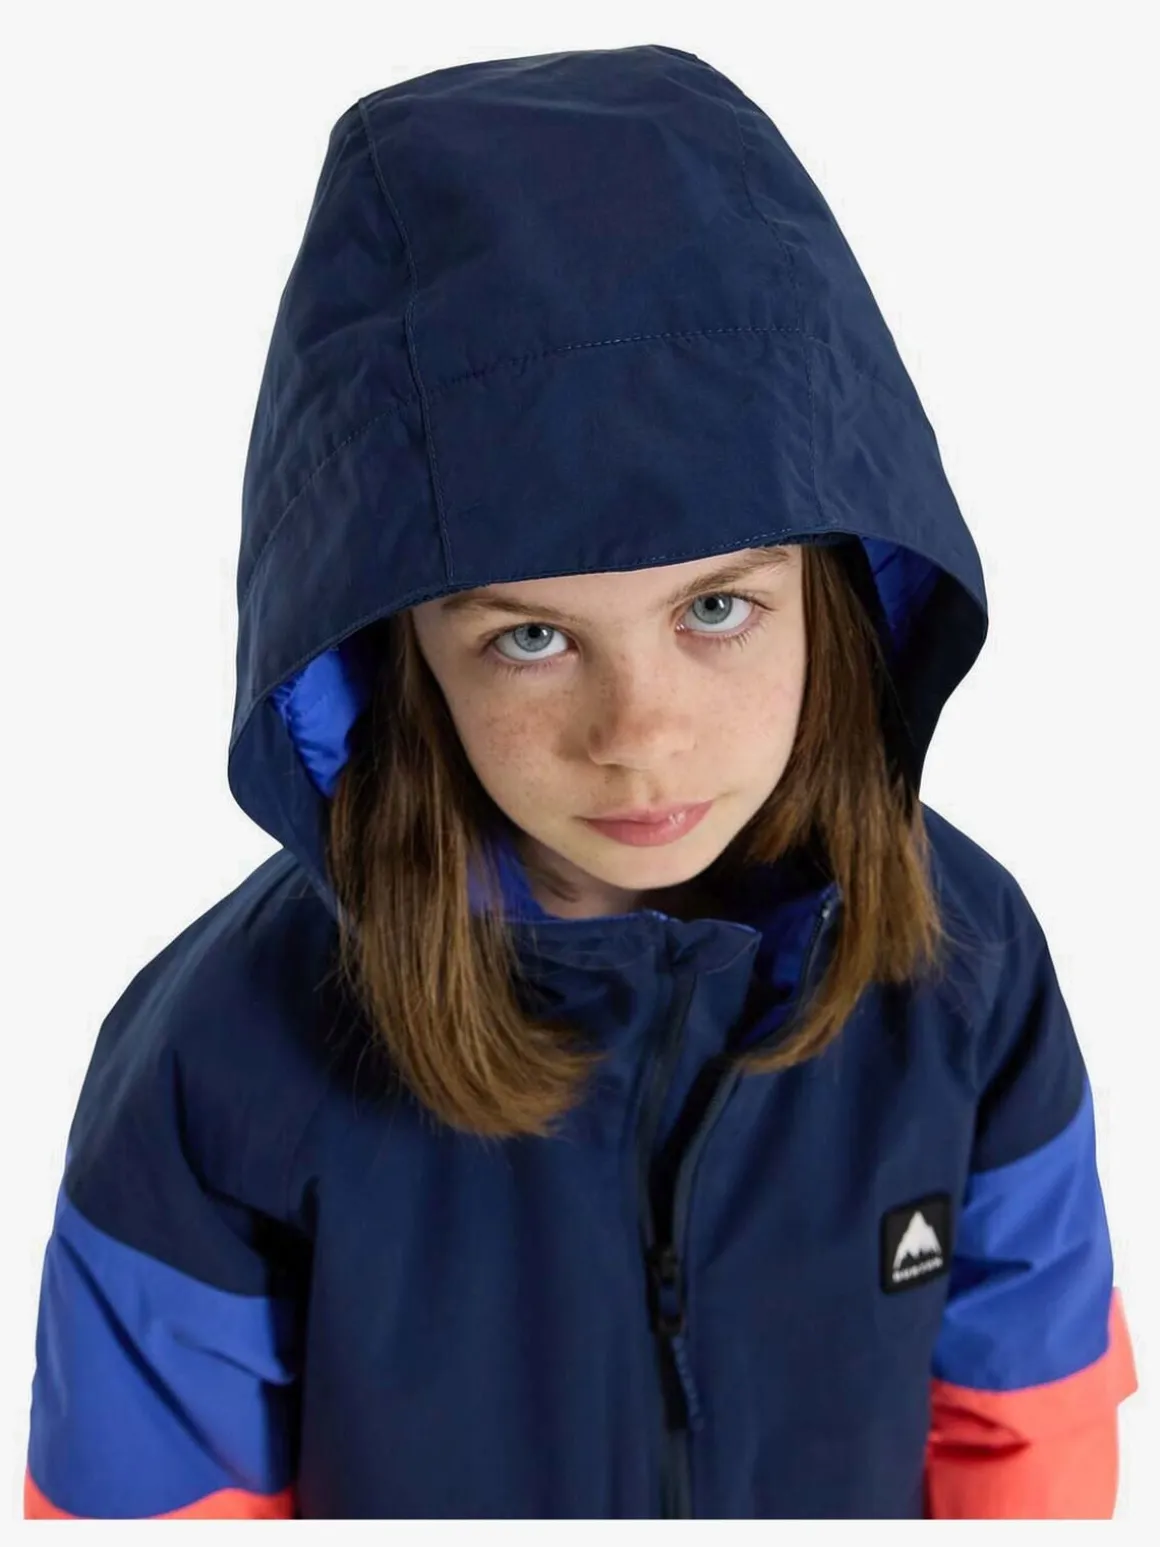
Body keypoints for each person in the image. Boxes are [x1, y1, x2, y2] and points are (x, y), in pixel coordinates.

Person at [23, 42, 1137, 1520]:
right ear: (392, 650)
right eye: (532, 638)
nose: (641, 734)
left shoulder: (964, 965)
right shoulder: (225, 1058)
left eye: (716, 608)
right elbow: (151, 1507)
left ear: (837, 590)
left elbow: (1026, 1432)